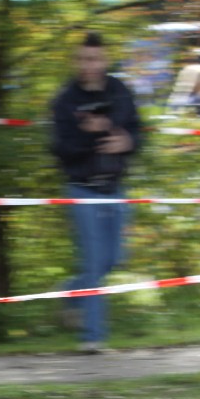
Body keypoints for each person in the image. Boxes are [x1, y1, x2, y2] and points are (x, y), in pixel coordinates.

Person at [50, 32, 142, 353]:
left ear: (105, 60)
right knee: (92, 262)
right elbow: (59, 149)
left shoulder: (120, 91)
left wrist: (128, 142)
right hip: (82, 189)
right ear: (75, 61)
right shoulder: (65, 100)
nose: (88, 65)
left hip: (115, 187)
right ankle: (93, 338)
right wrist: (87, 135)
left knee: (112, 260)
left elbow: (137, 131)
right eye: (82, 59)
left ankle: (70, 293)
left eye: (94, 58)